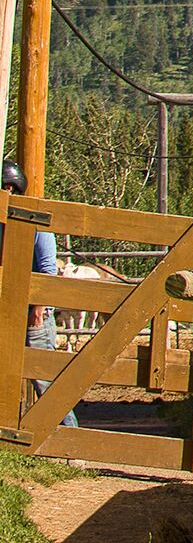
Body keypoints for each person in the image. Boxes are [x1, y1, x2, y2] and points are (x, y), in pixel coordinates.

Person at [5, 159, 76, 429]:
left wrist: (39, 307)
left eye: (12, 187)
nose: (8, 192)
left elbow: (47, 269)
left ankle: (70, 436)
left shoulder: (35, 221)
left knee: (43, 376)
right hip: (9, 308)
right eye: (4, 187)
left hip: (34, 309)